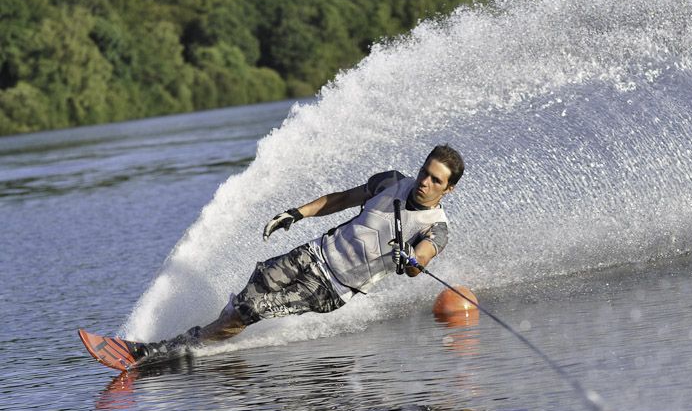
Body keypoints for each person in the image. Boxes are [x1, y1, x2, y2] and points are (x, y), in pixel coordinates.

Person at [144, 144, 464, 356]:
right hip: (313, 253)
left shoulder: (436, 227)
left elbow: (420, 259)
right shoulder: (391, 182)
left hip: (332, 286)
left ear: (447, 189)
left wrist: (409, 260)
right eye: (424, 171)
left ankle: (176, 349)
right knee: (251, 293)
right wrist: (296, 214)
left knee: (251, 310)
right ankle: (200, 339)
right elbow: (340, 199)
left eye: (435, 180)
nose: (424, 181)